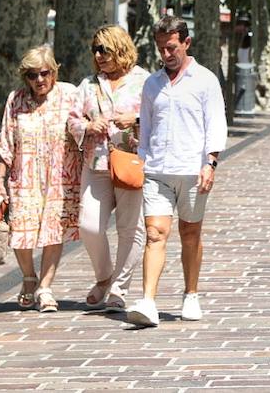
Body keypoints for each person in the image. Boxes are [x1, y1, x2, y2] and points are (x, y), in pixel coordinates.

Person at [127, 16, 227, 327]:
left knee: (190, 234)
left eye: (171, 47)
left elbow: (216, 124)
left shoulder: (206, 80)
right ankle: (148, 301)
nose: (166, 54)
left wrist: (210, 163)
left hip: (192, 170)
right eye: (161, 49)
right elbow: (145, 126)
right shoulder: (151, 84)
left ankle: (191, 294)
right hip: (158, 169)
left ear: (186, 43)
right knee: (155, 233)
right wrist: (142, 158)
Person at [0, 45, 81, 313]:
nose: (40, 80)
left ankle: (45, 287)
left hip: (60, 176)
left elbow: (83, 129)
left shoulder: (70, 94)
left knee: (54, 231)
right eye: (32, 75)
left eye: (45, 73)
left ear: (54, 72)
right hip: (25, 176)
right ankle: (29, 277)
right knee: (21, 231)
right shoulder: (15, 100)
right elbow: (5, 141)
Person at [68, 25, 150, 312]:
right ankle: (104, 276)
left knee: (130, 228)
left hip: (131, 161)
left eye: (104, 49)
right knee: (89, 225)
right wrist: (88, 126)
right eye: (95, 50)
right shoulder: (88, 84)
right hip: (97, 162)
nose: (99, 55)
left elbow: (162, 115)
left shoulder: (144, 80)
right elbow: (72, 120)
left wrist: (136, 118)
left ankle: (119, 288)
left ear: (121, 48)